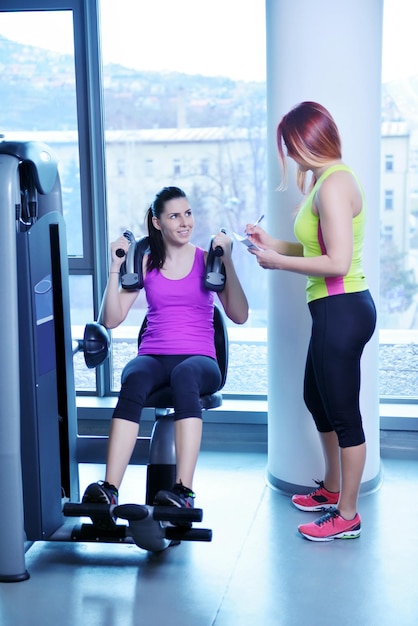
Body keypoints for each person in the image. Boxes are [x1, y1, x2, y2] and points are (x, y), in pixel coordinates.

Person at [246, 101, 376, 542]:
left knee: (343, 415)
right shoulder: (326, 181)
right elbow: (315, 247)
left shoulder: (334, 185)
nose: (291, 154)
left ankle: (348, 515)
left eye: (291, 145)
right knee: (316, 399)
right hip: (333, 310)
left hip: (342, 308)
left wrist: (276, 262)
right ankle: (335, 487)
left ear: (306, 141)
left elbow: (337, 262)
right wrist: (273, 243)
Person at [82, 186, 248, 521]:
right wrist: (115, 268)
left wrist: (227, 259)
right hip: (155, 356)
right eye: (175, 216)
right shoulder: (145, 263)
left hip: (200, 360)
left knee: (184, 375)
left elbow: (240, 314)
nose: (185, 222)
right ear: (158, 223)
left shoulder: (208, 260)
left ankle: (183, 491)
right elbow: (110, 319)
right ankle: (110, 489)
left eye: (188, 213)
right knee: (135, 375)